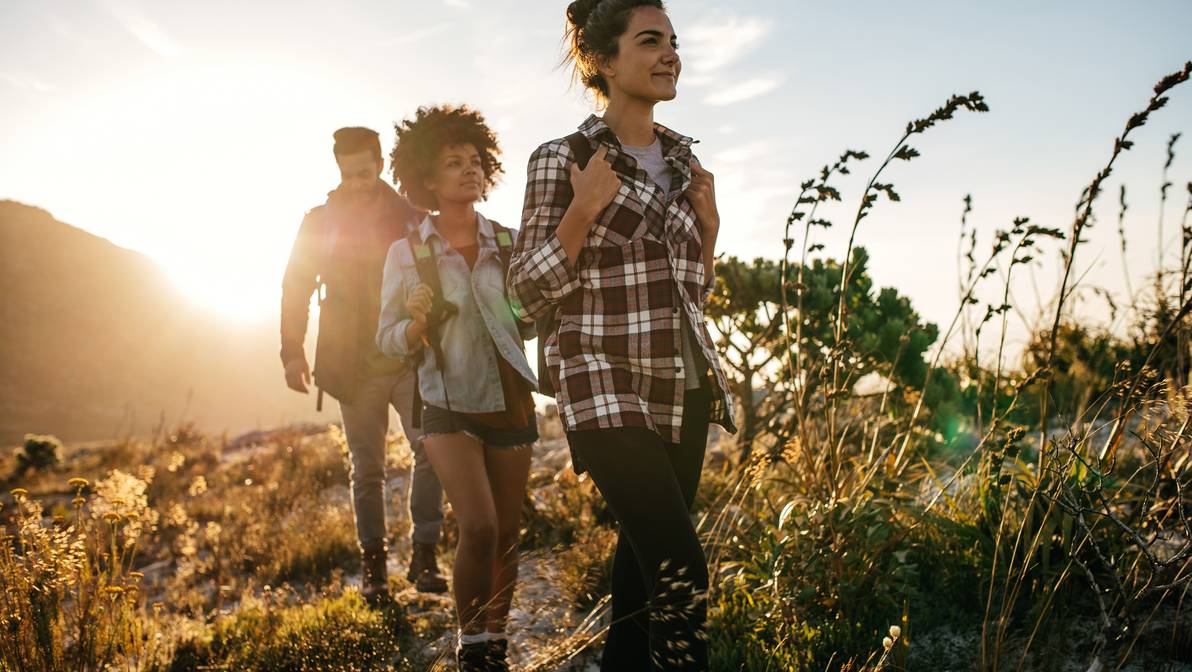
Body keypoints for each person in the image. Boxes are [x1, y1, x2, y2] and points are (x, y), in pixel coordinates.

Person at [507, 1, 736, 669]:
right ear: (603, 60)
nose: (670, 54)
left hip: (681, 384)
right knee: (681, 564)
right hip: (599, 378)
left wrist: (711, 233)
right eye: (650, 41)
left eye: (672, 41)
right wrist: (581, 211)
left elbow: (692, 296)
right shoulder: (563, 158)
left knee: (643, 573)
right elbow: (524, 291)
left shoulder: (688, 166)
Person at [377, 105, 538, 672]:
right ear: (426, 178)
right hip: (445, 402)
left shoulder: (510, 243)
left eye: (475, 161)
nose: (469, 171)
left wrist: (522, 307)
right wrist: (416, 323)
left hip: (510, 399)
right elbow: (388, 337)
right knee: (480, 525)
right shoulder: (408, 254)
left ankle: (496, 642)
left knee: (509, 532)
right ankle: (471, 648)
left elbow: (528, 317)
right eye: (453, 162)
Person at [280, 126, 449, 601]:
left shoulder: (411, 217)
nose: (356, 180)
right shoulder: (319, 221)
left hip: (411, 356)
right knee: (367, 468)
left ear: (378, 163)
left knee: (432, 450)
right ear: (338, 169)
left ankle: (425, 555)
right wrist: (292, 351)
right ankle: (374, 568)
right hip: (349, 366)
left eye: (365, 170)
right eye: (347, 173)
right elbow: (294, 286)